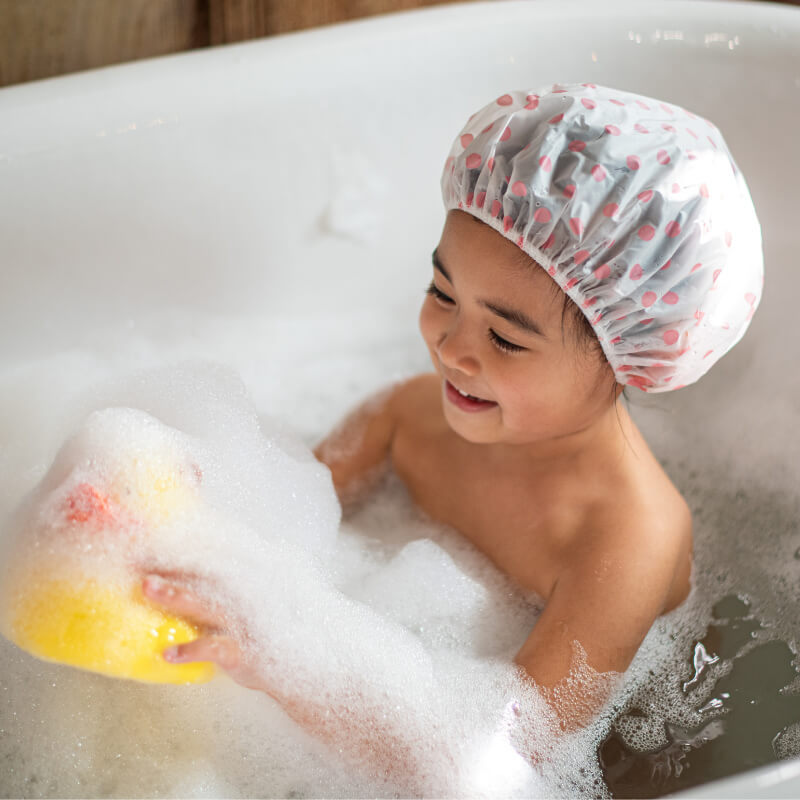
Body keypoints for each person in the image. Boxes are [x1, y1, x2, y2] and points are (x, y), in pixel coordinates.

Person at [143, 82, 763, 784]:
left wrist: (291, 661)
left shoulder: (627, 540)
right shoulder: (407, 417)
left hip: (634, 749)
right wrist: (167, 513)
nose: (451, 349)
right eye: (443, 294)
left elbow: (499, 759)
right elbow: (274, 508)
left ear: (625, 358)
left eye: (505, 338)